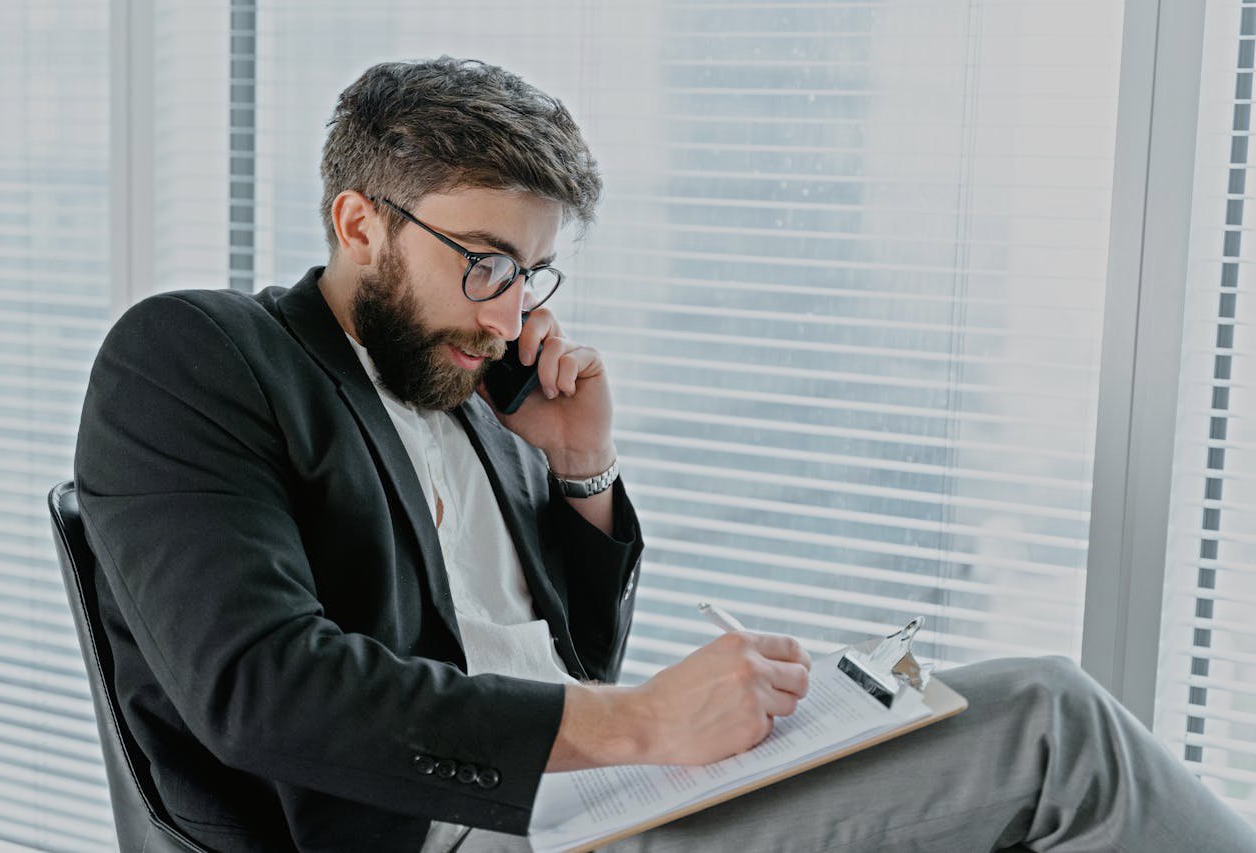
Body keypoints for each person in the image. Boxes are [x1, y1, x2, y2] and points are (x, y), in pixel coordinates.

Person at [74, 57, 1256, 853]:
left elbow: (567, 658)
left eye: (530, 274)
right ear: (357, 223)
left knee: (958, 726)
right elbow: (257, 689)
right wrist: (643, 726)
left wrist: (581, 475)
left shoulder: (471, 383)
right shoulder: (199, 355)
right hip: (454, 834)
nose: (506, 311)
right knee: (1052, 725)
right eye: (482, 260)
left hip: (586, 807)